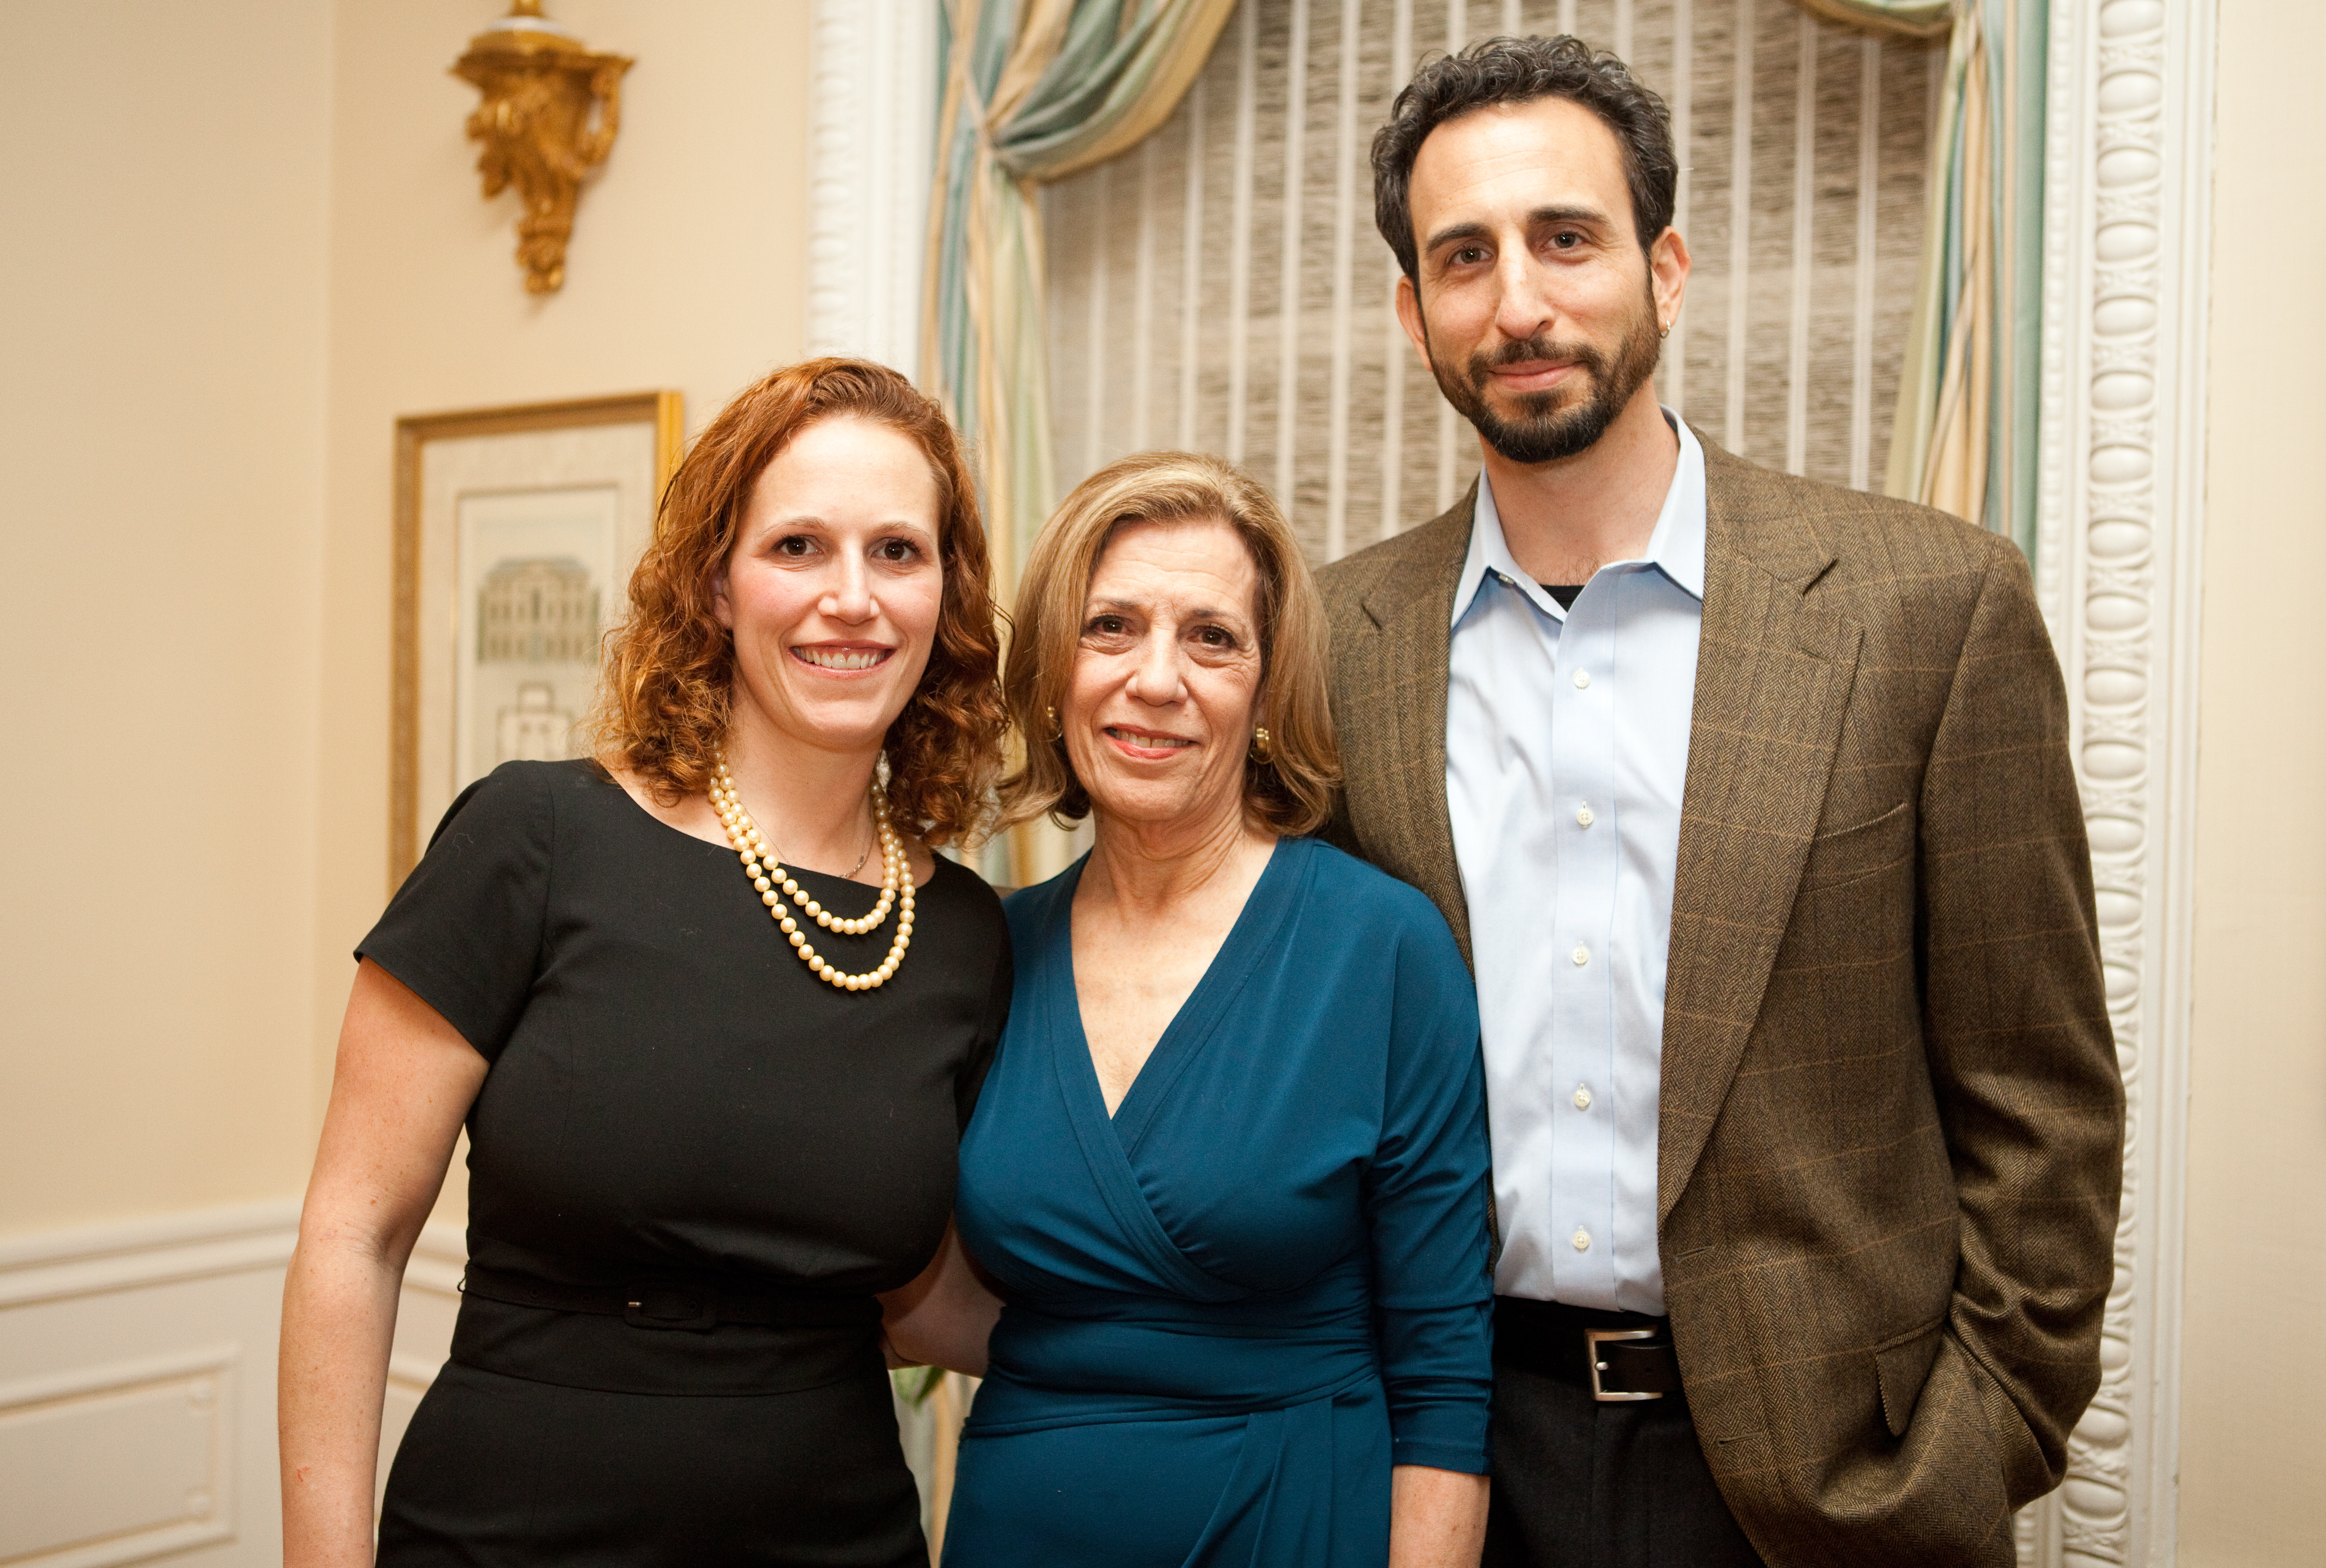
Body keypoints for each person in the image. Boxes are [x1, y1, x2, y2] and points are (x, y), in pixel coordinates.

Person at [1315, 36, 2124, 1568]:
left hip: (1824, 1487)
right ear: (1412, 311)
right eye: (1463, 257)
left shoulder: (1924, 607)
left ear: (1662, 268)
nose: (1520, 302)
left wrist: (1969, 1443)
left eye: (1567, 238)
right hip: (1451, 1461)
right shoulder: (1333, 644)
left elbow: (2039, 1104)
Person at [278, 358, 1012, 1568]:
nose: (853, 597)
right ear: (717, 586)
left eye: (897, 551)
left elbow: (922, 1298)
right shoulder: (537, 837)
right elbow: (353, 1233)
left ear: (944, 593)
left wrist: (1214, 1340)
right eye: (797, 547)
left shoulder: (964, 932)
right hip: (507, 1529)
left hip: (839, 1535)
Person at [886, 452, 1495, 1568]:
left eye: (1211, 637)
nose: (1155, 678)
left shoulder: (1380, 949)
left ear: (1265, 687)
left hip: (1295, 1517)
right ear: (1053, 676)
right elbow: (914, 1293)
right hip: (1017, 1521)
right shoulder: (984, 948)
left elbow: (1444, 1373)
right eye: (1109, 627)